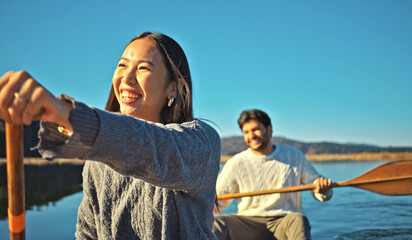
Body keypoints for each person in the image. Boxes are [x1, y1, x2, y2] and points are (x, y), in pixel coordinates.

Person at [0, 32, 221, 239]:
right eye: (122, 65)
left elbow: (153, 147)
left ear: (173, 88)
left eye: (144, 68)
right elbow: (87, 232)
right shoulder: (98, 162)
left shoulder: (202, 143)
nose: (127, 77)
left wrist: (65, 114)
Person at [213, 109, 332, 240]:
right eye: (246, 132)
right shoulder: (235, 162)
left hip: (284, 221)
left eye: (255, 129)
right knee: (217, 223)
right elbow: (217, 201)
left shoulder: (294, 155)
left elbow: (319, 188)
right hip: (249, 223)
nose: (251, 135)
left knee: (298, 220)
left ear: (269, 129)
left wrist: (323, 190)